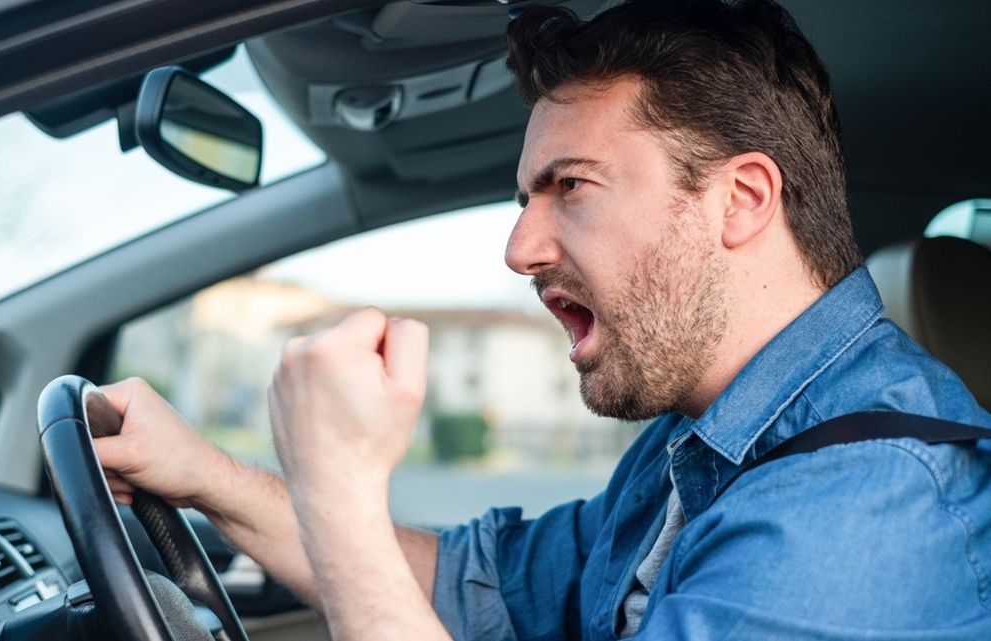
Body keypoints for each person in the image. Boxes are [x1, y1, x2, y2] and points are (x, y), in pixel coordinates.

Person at [94, 1, 991, 639]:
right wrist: (203, 474)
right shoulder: (701, 445)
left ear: (742, 199)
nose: (520, 248)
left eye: (571, 187)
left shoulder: (866, 505)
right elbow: (479, 590)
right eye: (527, 196)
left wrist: (340, 492)